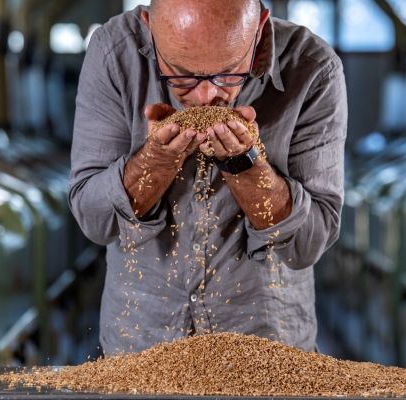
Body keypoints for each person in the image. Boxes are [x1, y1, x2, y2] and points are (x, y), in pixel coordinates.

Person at [69, 0, 347, 355]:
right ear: (149, 28)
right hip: (140, 352)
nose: (205, 97)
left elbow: (310, 242)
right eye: (181, 74)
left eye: (229, 73)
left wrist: (245, 165)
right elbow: (95, 220)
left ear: (259, 29)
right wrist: (158, 160)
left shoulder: (314, 69)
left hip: (266, 356)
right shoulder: (114, 52)